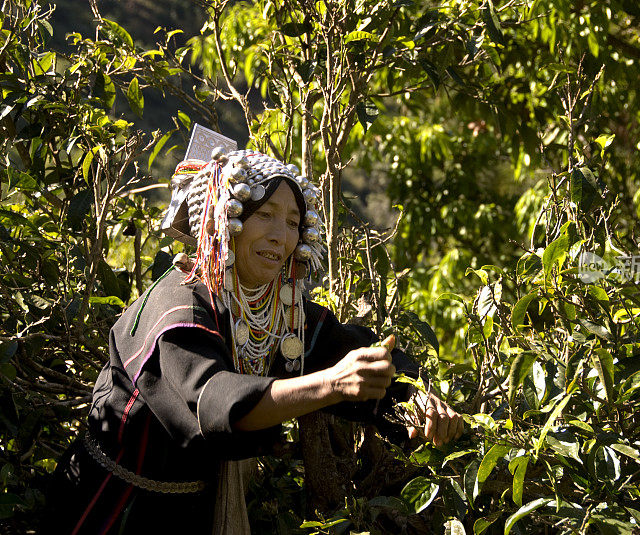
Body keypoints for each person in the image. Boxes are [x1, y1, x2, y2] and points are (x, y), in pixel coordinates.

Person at [43, 149, 463, 534]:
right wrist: (331, 383)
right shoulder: (180, 304)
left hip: (194, 514)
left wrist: (417, 400)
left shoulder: (279, 309)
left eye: (294, 222)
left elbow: (350, 350)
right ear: (227, 222)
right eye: (266, 215)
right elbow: (214, 398)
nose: (282, 236)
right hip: (112, 509)